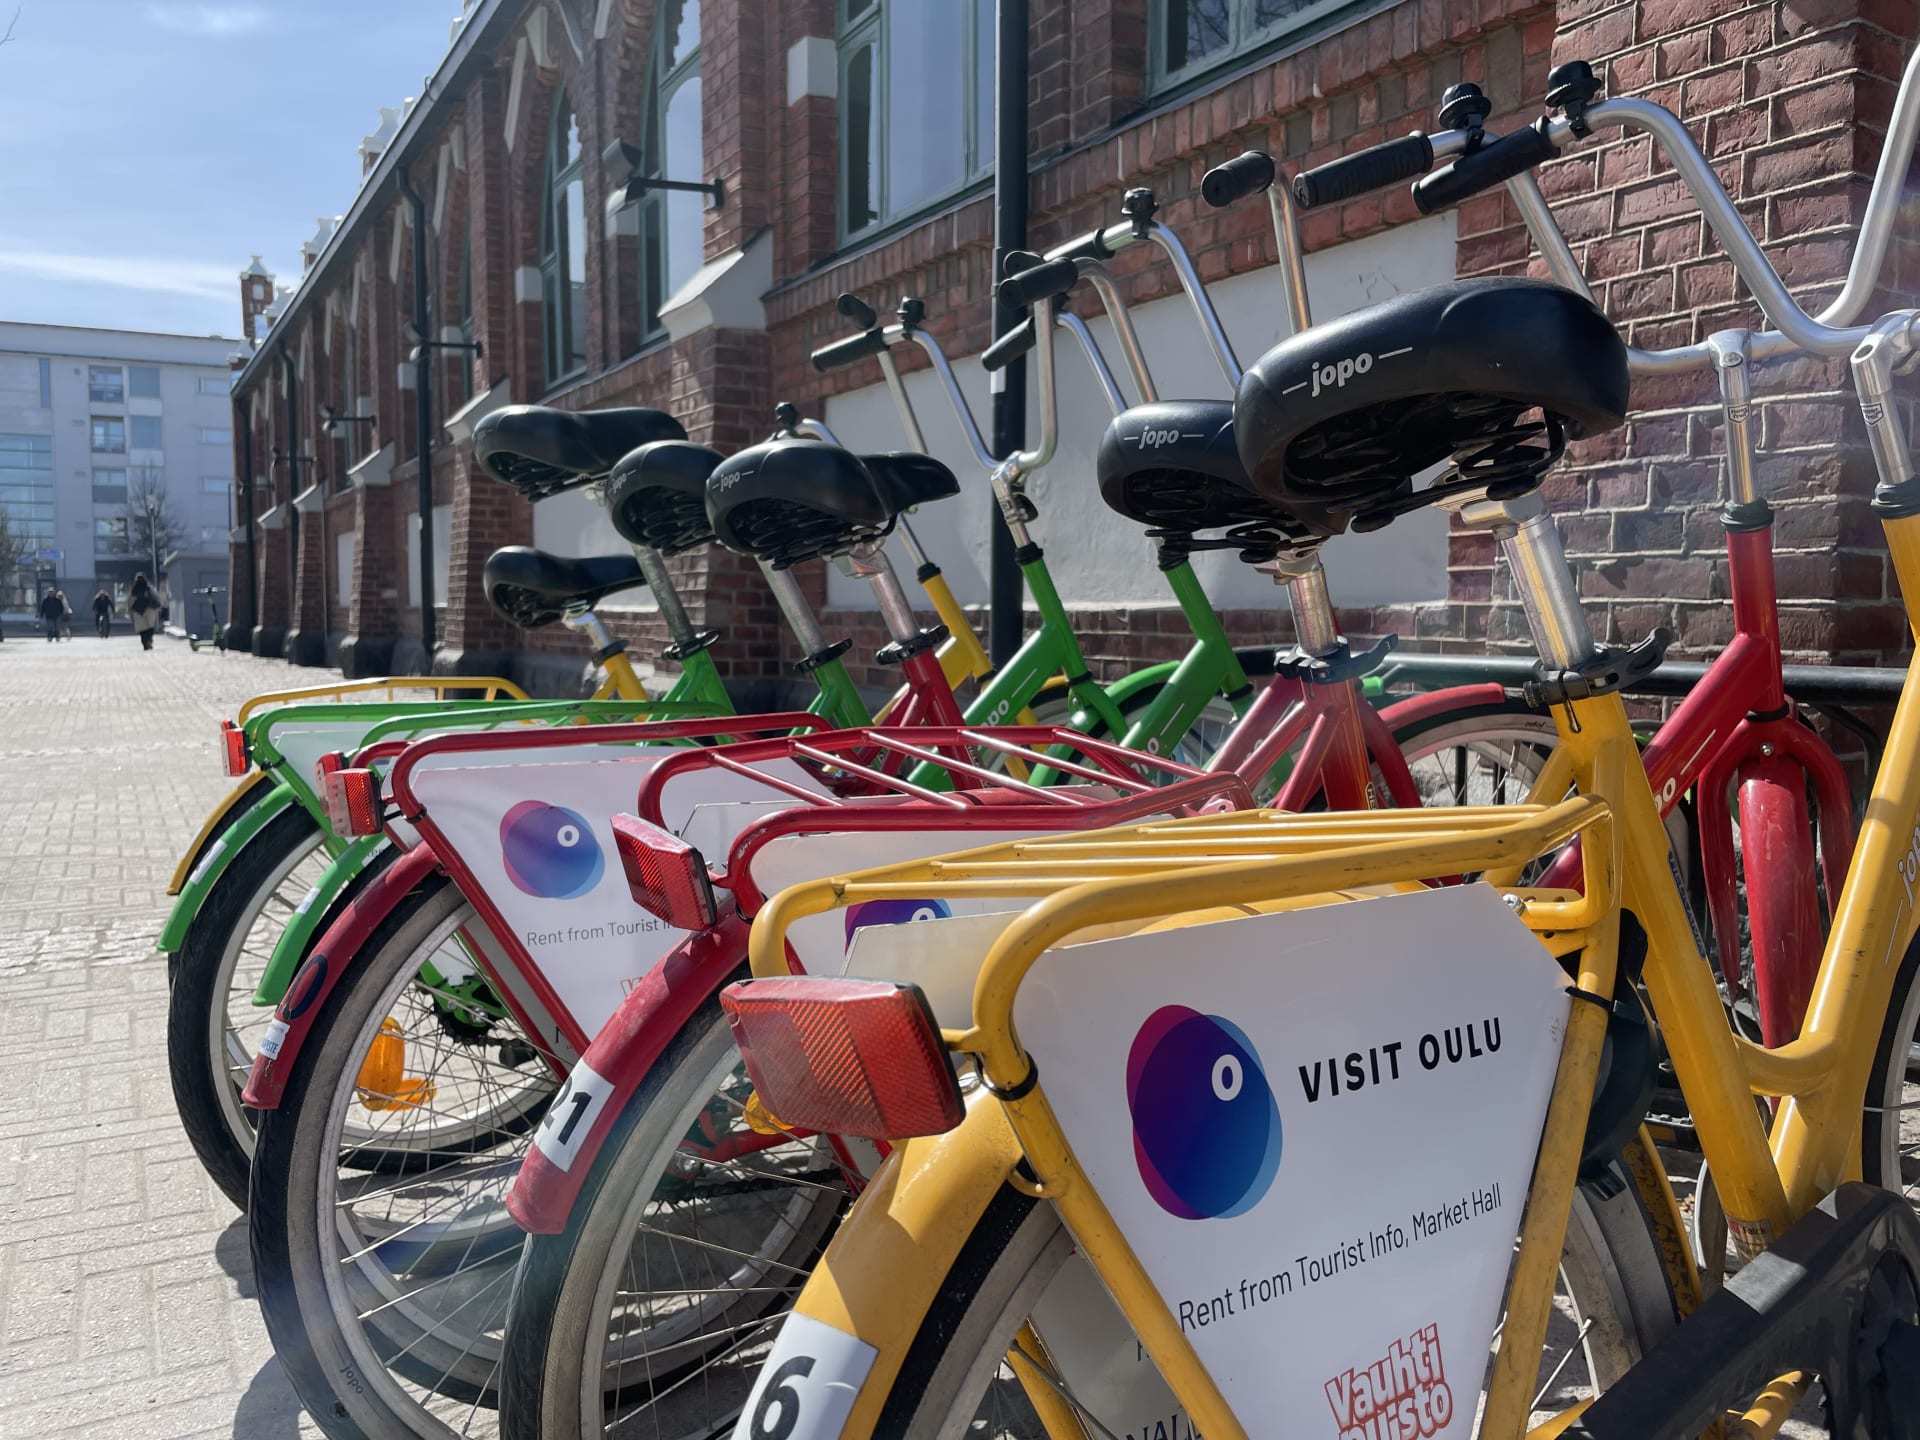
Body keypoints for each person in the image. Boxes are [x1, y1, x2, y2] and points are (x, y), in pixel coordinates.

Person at [129, 572, 160, 652]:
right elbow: (155, 596)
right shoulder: (148, 587)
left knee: (142, 628)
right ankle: (149, 640)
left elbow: (130, 601)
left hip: (137, 610)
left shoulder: (133, 589)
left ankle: (145, 643)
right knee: (150, 626)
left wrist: (130, 612)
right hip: (149, 608)